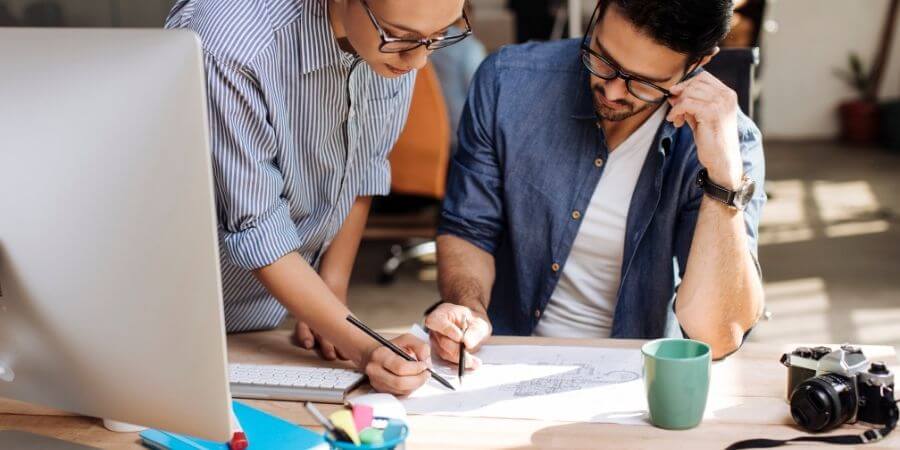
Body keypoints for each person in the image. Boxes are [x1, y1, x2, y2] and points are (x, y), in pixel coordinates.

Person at [426, 0, 766, 369]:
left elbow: (715, 336)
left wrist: (724, 180)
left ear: (697, 65)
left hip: (630, 377)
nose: (615, 91)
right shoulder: (507, 81)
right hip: (501, 354)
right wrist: (468, 306)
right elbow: (468, 229)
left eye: (644, 83)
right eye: (602, 57)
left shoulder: (732, 142)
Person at [165, 0, 470, 395]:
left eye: (439, 36)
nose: (418, 62)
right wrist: (364, 348)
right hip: (181, 312)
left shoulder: (402, 39)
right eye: (400, 37)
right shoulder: (232, 44)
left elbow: (363, 166)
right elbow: (257, 224)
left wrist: (332, 293)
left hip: (273, 312)